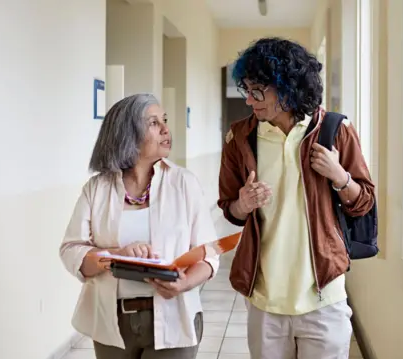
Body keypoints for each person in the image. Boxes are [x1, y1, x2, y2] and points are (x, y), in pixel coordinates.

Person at [217, 37, 375, 359]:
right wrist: (243, 203)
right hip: (265, 299)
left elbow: (364, 201)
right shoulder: (240, 138)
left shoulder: (335, 130)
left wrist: (339, 176)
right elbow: (230, 210)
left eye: (257, 90)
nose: (249, 100)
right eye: (246, 90)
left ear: (287, 87)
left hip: (323, 296)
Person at [59, 93, 219, 359]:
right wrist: (115, 256)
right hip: (112, 323)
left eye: (164, 120)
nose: (166, 129)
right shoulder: (97, 189)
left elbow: (209, 254)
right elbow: (71, 251)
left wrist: (184, 283)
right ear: (127, 134)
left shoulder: (184, 183)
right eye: (154, 123)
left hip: (174, 317)